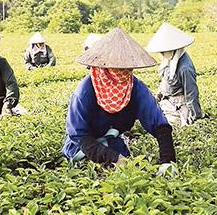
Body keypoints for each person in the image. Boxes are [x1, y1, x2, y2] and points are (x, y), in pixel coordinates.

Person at [63, 28, 177, 172]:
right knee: (94, 170)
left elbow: (159, 123)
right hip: (85, 145)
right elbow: (78, 134)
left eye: (126, 67)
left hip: (113, 138)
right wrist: (111, 157)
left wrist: (168, 160)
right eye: (118, 67)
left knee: (126, 166)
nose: (123, 73)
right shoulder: (85, 91)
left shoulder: (135, 86)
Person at [145, 22, 202, 127]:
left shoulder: (185, 68)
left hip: (179, 104)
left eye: (164, 51)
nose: (162, 54)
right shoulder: (170, 60)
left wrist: (195, 116)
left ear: (174, 49)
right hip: (167, 101)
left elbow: (191, 93)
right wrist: (157, 98)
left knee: (167, 127)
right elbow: (165, 82)